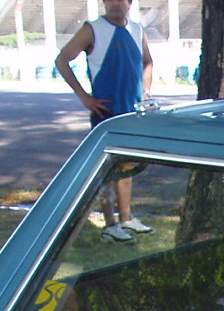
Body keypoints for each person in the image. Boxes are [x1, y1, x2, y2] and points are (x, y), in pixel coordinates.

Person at [55, 0, 154, 242]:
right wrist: (85, 97)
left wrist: (146, 92)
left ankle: (127, 218)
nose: (115, 3)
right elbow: (62, 60)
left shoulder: (137, 29)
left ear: (129, 3)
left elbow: (148, 62)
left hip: (131, 111)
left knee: (128, 165)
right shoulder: (92, 29)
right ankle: (110, 224)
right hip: (106, 111)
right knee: (108, 168)